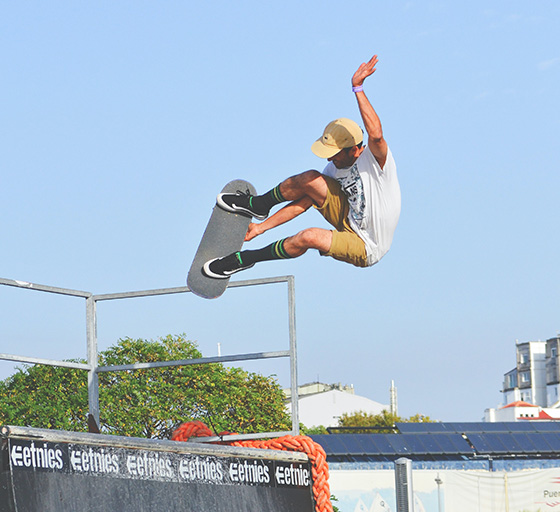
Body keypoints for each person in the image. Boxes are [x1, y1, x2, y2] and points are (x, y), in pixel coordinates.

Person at [202, 55, 401, 279]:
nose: (329, 161)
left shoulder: (377, 162)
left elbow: (376, 135)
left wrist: (358, 88)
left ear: (354, 150)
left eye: (334, 155)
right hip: (346, 215)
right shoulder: (333, 171)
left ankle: (245, 259)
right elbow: (302, 204)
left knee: (309, 237)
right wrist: (261, 228)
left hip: (366, 245)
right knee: (309, 179)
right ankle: (259, 205)